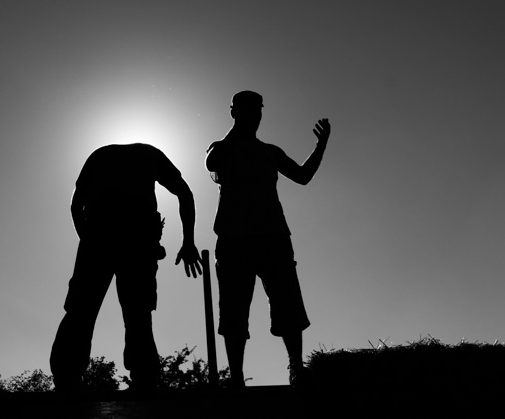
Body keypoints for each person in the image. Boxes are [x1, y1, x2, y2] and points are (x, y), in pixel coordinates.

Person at [50, 143, 203, 392]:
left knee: (85, 312)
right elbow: (184, 193)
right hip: (131, 240)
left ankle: (69, 379)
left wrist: (88, 240)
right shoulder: (148, 154)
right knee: (136, 314)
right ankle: (143, 379)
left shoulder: (103, 156)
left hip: (111, 237)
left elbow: (76, 205)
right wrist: (188, 241)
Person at [205, 91, 330, 387]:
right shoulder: (222, 147)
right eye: (247, 111)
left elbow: (302, 176)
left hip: (272, 237)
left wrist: (320, 146)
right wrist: (237, 128)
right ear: (234, 113)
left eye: (257, 111)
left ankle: (296, 368)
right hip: (235, 239)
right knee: (234, 310)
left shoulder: (270, 152)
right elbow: (212, 163)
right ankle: (236, 377)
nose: (254, 117)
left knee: (287, 305)